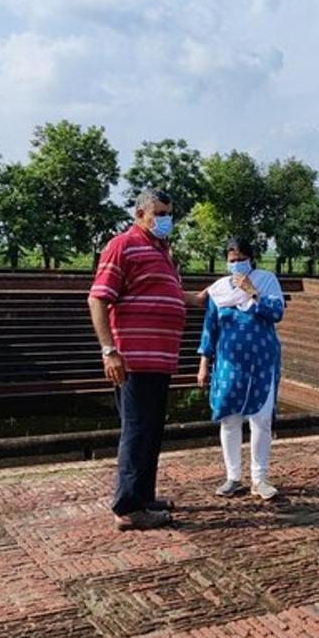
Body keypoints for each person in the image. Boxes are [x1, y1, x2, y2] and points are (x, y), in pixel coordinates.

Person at [88, 189, 201, 531]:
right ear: (140, 214)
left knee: (151, 430)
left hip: (159, 359)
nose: (165, 219)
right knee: (137, 431)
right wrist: (109, 350)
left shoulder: (161, 251)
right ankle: (128, 506)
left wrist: (195, 299)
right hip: (134, 358)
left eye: (169, 213)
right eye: (159, 213)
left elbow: (162, 292)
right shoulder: (123, 245)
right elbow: (97, 299)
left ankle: (144, 495)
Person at [197, 237, 284, 501]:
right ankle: (233, 476)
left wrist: (253, 291)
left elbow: (277, 313)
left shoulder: (267, 281)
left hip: (261, 362)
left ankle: (260, 478)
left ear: (251, 259)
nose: (236, 265)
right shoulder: (219, 289)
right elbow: (210, 328)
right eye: (231, 261)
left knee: (261, 420)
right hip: (229, 364)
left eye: (241, 260)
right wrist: (204, 363)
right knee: (230, 420)